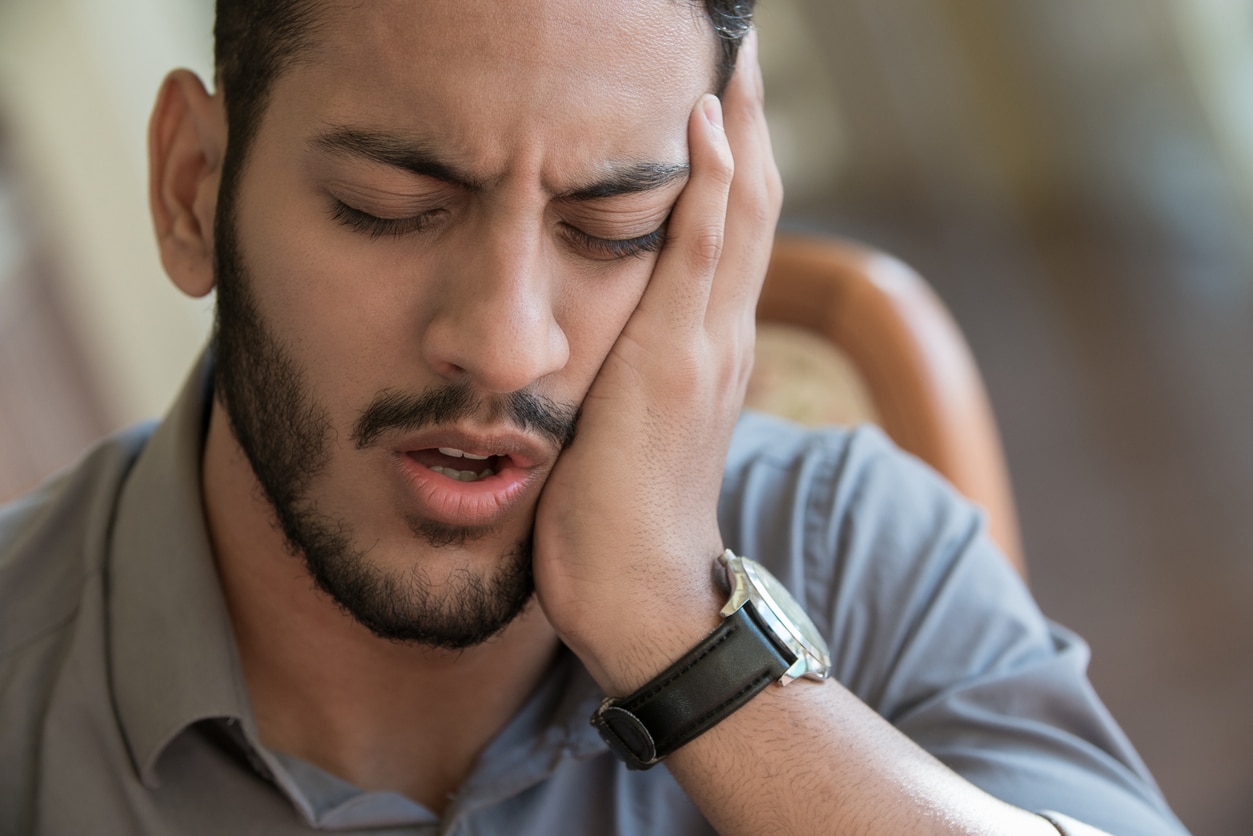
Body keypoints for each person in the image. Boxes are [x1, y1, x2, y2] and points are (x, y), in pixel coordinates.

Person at [0, 1, 1189, 834]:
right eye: (392, 204)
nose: (508, 340)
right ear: (191, 190)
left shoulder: (848, 540)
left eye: (612, 229)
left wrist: (682, 642)